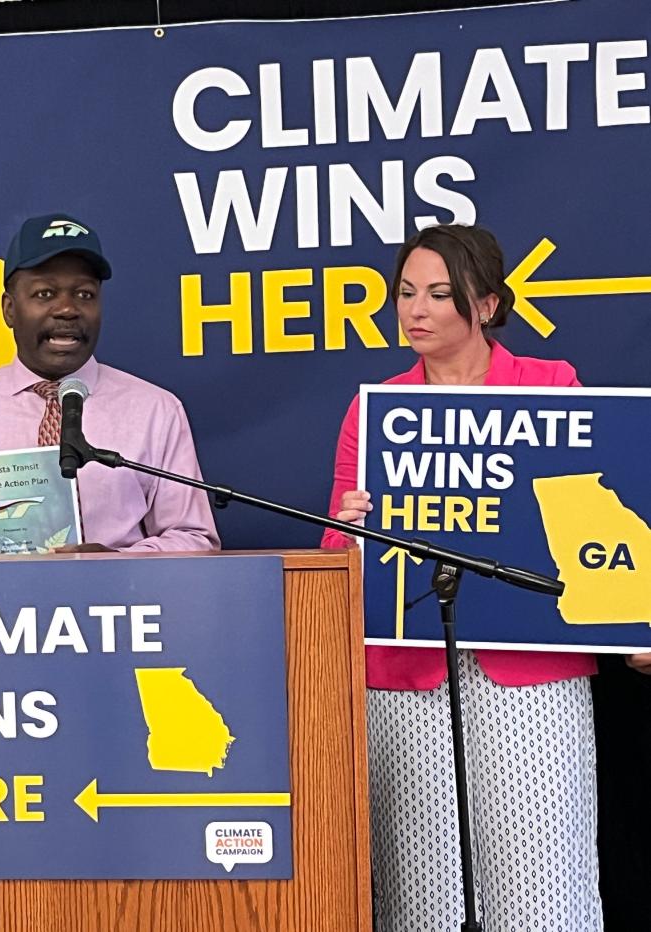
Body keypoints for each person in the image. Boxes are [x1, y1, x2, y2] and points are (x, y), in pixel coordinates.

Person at [321, 224, 603, 931]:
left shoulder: (550, 386)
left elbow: (595, 518)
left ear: (485, 303)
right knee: (423, 892)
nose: (415, 310)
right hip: (407, 670)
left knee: (543, 880)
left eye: (439, 295)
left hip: (529, 666)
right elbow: (334, 556)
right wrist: (350, 528)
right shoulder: (375, 408)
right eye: (405, 293)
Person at [0, 213, 218, 555]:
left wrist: (118, 563)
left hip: (119, 603)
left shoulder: (155, 410)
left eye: (85, 294)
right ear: (9, 309)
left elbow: (194, 538)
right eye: (45, 293)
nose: (67, 309)